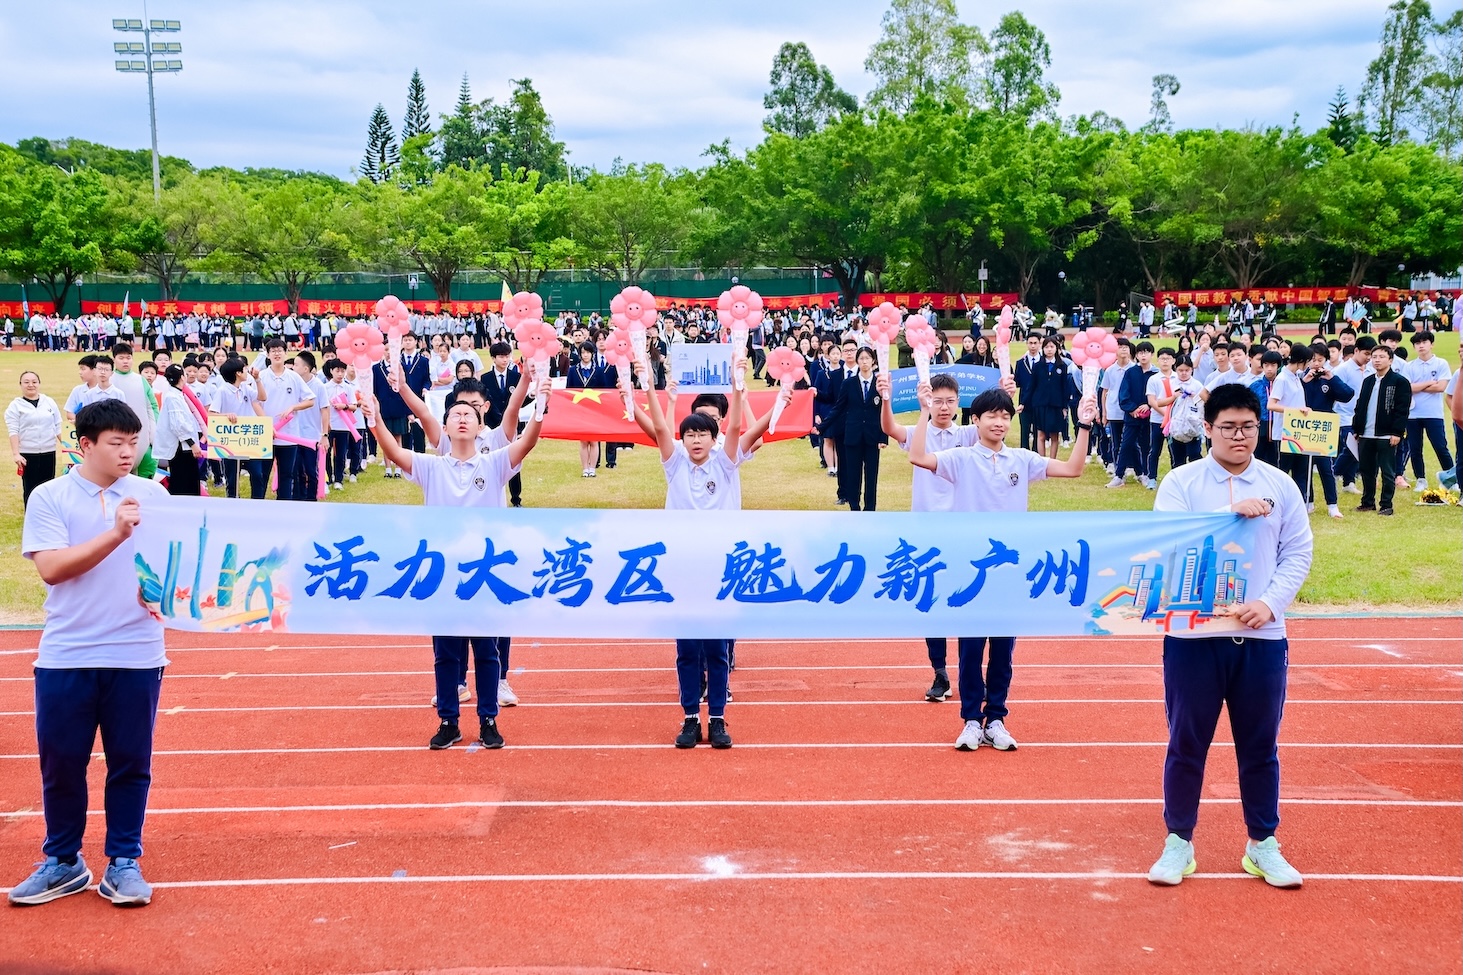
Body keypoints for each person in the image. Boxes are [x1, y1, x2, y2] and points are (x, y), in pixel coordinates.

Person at [1147, 383, 1313, 889]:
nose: (1239, 436)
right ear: (1208, 429)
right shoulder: (1181, 482)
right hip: (1195, 634)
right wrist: (1227, 515)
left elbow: (1297, 553)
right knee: (1186, 742)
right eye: (1228, 427)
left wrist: (1269, 604)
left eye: (1247, 426)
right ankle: (1178, 842)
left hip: (1262, 637)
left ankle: (1263, 844)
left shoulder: (1282, 485)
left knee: (1260, 745)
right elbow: (1165, 541)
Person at [10, 400, 170, 907]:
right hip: (67, 651)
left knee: (130, 763)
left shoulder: (153, 494)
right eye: (116, 443)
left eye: (134, 441)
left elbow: (173, 566)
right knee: (61, 763)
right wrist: (116, 534)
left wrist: (167, 592)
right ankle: (62, 860)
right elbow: (53, 568)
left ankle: (124, 860)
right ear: (84, 445)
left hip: (137, 651)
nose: (129, 453)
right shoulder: (49, 496)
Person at [363, 375, 550, 751]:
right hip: (443, 575)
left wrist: (541, 405)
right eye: (454, 414)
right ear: (444, 428)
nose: (462, 418)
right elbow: (394, 451)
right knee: (446, 654)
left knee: (486, 652)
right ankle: (448, 720)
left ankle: (488, 719)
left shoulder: (496, 462)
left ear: (482, 426)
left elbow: (527, 441)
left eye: (469, 413)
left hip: (485, 574)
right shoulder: (432, 467)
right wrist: (375, 419)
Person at [906, 385, 1097, 752]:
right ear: (975, 420)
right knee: (971, 650)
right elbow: (918, 457)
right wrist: (925, 411)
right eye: (991, 415)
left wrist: (1085, 425)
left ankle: (995, 718)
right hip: (971, 571)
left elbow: (1073, 469)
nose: (999, 422)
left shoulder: (1022, 460)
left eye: (1005, 416)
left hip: (1010, 572)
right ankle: (970, 721)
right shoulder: (960, 457)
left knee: (1003, 650)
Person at [630, 351, 786, 749]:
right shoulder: (675, 464)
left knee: (717, 650)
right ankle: (688, 718)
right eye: (690, 435)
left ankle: (716, 718)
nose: (696, 440)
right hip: (683, 569)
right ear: (682, 441)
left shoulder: (725, 464)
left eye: (703, 434)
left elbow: (739, 427)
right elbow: (660, 427)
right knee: (686, 651)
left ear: (714, 439)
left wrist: (741, 385)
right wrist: (647, 382)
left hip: (721, 569)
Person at [879, 371, 986, 702]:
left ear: (958, 403)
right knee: (932, 601)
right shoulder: (919, 432)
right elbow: (890, 429)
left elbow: (997, 423)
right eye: (937, 401)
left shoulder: (969, 434)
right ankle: (940, 671)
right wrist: (887, 398)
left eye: (949, 401)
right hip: (926, 531)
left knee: (967, 598)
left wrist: (1005, 393)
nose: (943, 407)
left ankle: (971, 672)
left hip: (963, 530)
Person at [1352, 345, 1412, 516]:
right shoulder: (1368, 380)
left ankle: (1386, 505)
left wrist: (1397, 432)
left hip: (1387, 434)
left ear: (1390, 360)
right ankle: (1367, 502)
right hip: (1366, 433)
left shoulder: (1399, 381)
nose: (1377, 360)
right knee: (1366, 469)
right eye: (1374, 356)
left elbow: (1402, 410)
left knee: (1387, 471)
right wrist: (1357, 427)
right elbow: (1360, 406)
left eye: (1381, 357)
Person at [826, 345, 887, 511]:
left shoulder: (879, 383)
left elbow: (884, 411)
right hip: (852, 435)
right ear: (857, 361)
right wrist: (823, 426)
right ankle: (854, 507)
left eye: (868, 358)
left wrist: (883, 437)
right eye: (861, 358)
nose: (865, 362)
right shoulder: (849, 383)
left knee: (871, 475)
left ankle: (870, 508)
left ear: (873, 361)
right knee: (853, 474)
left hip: (872, 436)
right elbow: (838, 408)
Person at [1297, 344, 1354, 519]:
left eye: (1320, 360)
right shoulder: (1300, 378)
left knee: (1325, 468)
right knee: (1303, 467)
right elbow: (1290, 395)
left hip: (1323, 428)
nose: (1316, 364)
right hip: (1303, 427)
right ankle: (1308, 502)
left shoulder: (1328, 378)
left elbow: (1347, 395)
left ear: (1326, 361)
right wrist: (1304, 381)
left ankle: (1332, 505)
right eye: (1313, 360)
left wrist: (1331, 377)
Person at [1403, 332, 1454, 492]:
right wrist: (1428, 384)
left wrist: (1418, 386)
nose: (1421, 345)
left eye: (1424, 342)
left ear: (1431, 344)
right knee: (1415, 448)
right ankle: (1421, 479)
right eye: (1417, 343)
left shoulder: (1440, 363)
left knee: (1440, 447)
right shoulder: (1409, 366)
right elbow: (1406, 388)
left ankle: (1452, 478)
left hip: (1433, 413)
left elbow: (1441, 387)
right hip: (1413, 414)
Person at [6, 371, 64, 506]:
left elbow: (57, 426)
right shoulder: (15, 406)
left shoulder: (49, 402)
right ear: (20, 385)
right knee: (30, 488)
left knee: (49, 486)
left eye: (34, 382)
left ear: (39, 384)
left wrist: (68, 447)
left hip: (48, 451)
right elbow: (13, 431)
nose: (30, 385)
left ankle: (48, 517)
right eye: (26, 382)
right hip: (28, 454)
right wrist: (16, 454)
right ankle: (31, 519)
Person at [1110, 341, 1156, 489]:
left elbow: (1159, 396)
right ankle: (1119, 475)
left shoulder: (1155, 374)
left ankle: (1144, 474)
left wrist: (1149, 405)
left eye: (1147, 352)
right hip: (1132, 417)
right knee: (1126, 445)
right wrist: (1132, 409)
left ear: (1151, 354)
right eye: (1140, 352)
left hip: (1151, 417)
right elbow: (1123, 394)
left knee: (1146, 446)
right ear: (1136, 355)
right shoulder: (1130, 373)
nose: (1143, 355)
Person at [153, 365, 204, 498]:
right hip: (181, 448)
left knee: (188, 481)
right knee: (184, 483)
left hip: (183, 446)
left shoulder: (176, 395)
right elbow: (178, 425)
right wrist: (193, 444)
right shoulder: (172, 397)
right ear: (182, 377)